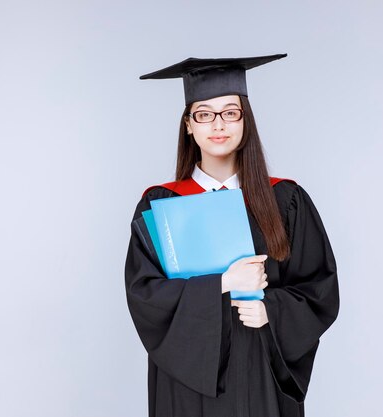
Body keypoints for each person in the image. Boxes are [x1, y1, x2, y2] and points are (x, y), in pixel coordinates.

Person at [124, 54, 340, 417]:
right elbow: (144, 294)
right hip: (187, 380)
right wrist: (223, 282)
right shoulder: (159, 203)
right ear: (188, 125)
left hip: (261, 370)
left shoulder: (286, 200)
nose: (217, 124)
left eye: (230, 112)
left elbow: (319, 289)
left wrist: (272, 310)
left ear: (245, 121)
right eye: (204, 114)